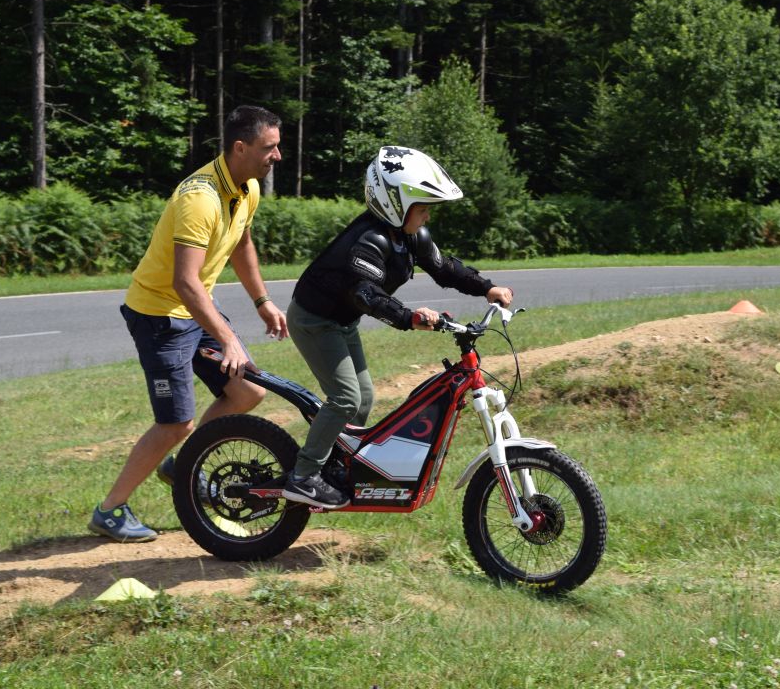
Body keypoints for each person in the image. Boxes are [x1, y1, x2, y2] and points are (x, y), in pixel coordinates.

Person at [89, 105, 289, 542]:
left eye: (277, 146)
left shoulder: (248, 187)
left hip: (195, 310)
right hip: (159, 317)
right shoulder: (200, 198)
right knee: (176, 424)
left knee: (247, 391)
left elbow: (241, 243)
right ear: (240, 147)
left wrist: (262, 301)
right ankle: (110, 510)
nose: (277, 156)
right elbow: (184, 282)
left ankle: (182, 464)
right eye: (269, 147)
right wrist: (227, 337)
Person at [283, 145, 513, 509]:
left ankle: (334, 467)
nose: (427, 216)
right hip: (315, 320)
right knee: (346, 398)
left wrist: (487, 287)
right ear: (395, 204)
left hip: (342, 321)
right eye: (422, 208)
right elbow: (368, 296)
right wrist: (410, 317)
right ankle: (304, 476)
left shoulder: (410, 236)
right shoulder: (366, 242)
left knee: (364, 398)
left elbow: (444, 268)